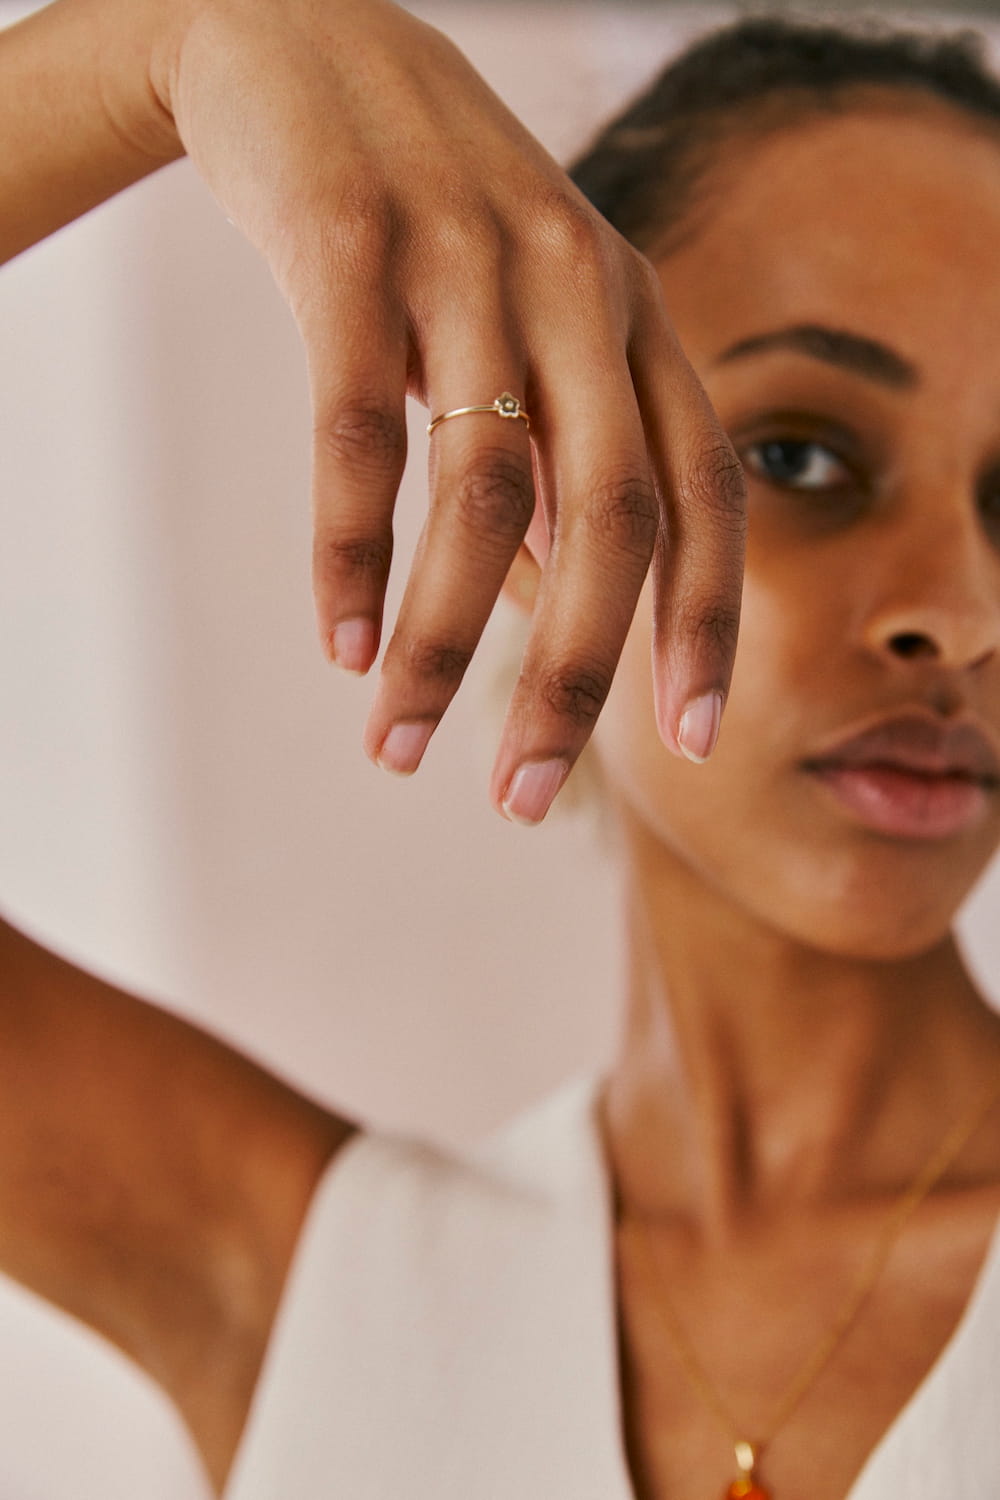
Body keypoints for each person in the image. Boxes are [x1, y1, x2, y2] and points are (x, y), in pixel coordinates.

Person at [3, 8, 1000, 1500]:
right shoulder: (323, 1286)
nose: (960, 614)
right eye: (800, 456)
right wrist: (177, 43)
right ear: (544, 503)